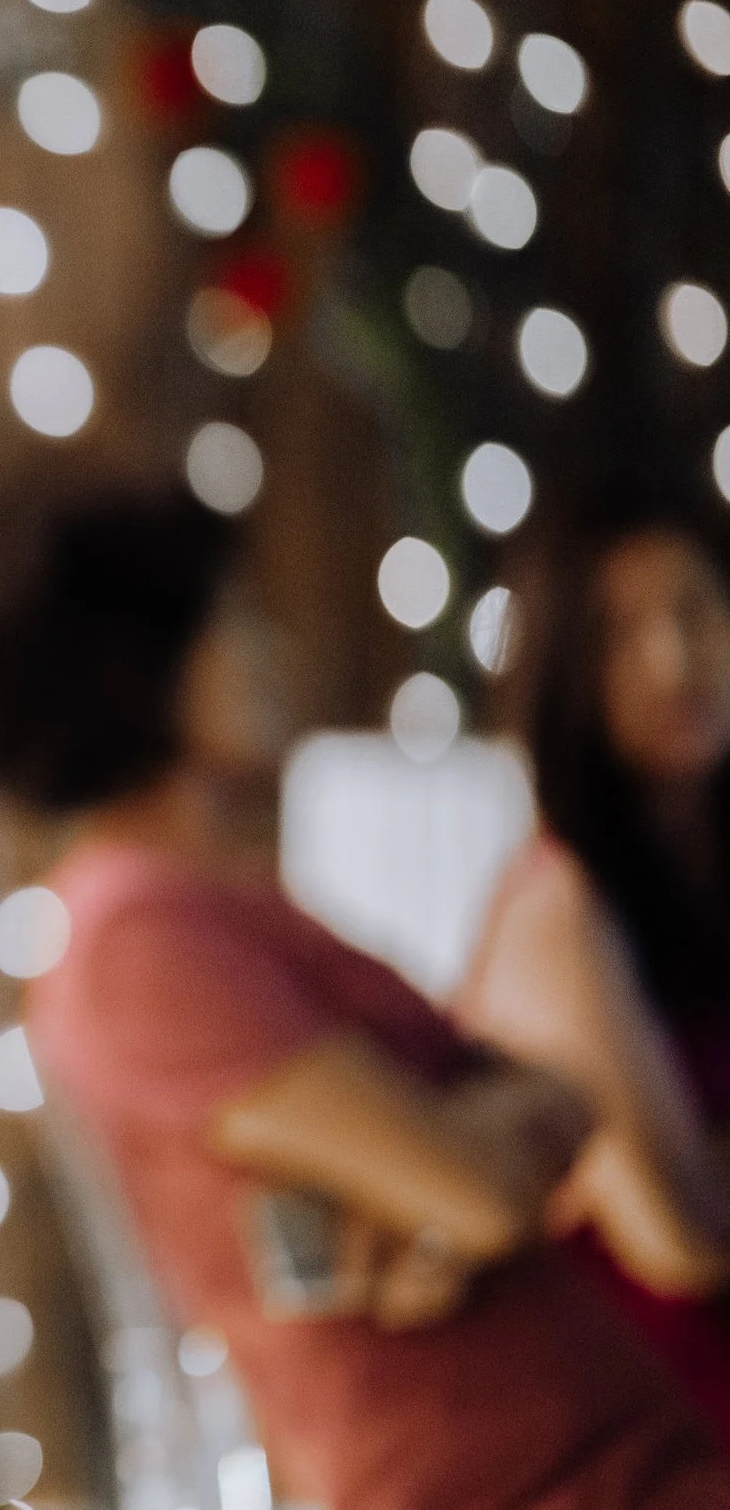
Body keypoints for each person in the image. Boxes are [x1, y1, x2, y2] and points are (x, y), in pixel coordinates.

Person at [0, 464, 730, 1510]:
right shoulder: (134, 935)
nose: (265, 651)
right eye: (229, 621)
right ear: (143, 663)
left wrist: (449, 1167)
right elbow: (484, 1192)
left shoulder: (225, 897)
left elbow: (556, 1102)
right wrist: (462, 1163)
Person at [456, 481, 730, 1436]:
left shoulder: (702, 875)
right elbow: (681, 1232)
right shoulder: (554, 909)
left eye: (695, 608)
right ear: (566, 670)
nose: (675, 657)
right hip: (658, 1431)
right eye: (620, 632)